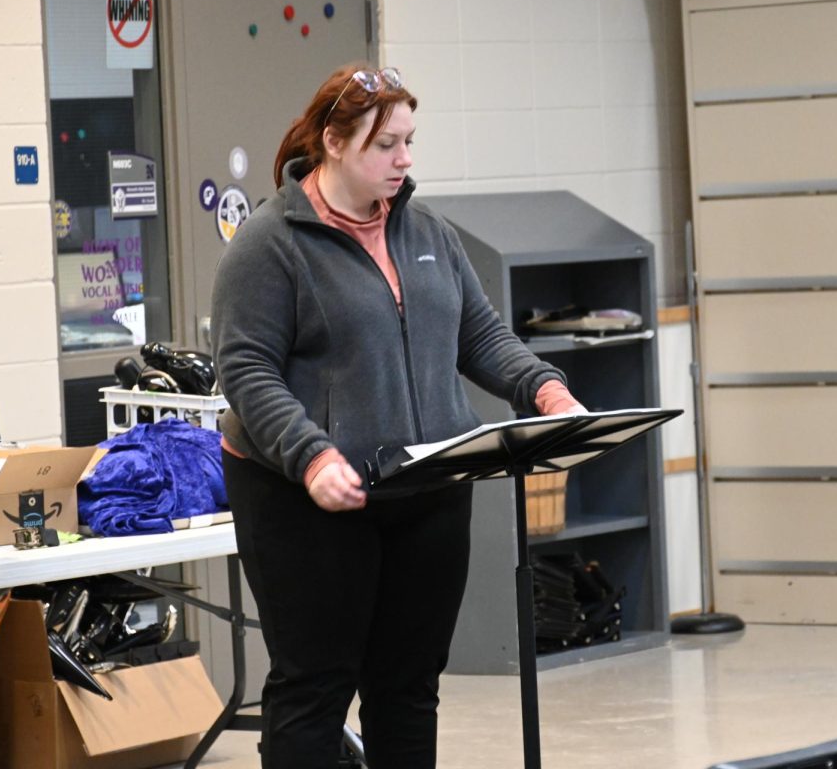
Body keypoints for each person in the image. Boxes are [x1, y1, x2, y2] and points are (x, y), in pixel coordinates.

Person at [210, 63, 585, 769]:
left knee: (408, 686)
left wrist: (544, 391)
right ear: (333, 143)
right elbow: (247, 372)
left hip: (429, 488)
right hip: (308, 499)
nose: (405, 160)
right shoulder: (270, 245)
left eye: (410, 141)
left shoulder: (429, 233)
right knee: (315, 687)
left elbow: (478, 335)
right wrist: (312, 455)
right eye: (387, 145)